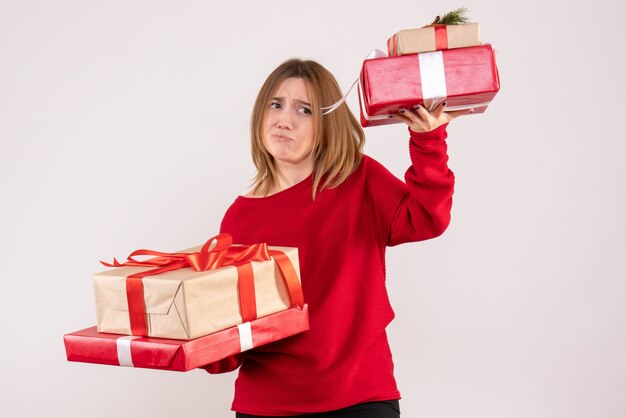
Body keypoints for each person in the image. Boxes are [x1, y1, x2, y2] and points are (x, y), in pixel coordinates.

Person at [208, 58, 468, 417]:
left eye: (305, 110)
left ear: (327, 122)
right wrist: (195, 336)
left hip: (359, 399)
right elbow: (233, 340)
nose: (284, 119)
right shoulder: (238, 219)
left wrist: (428, 141)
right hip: (266, 406)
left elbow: (426, 218)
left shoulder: (358, 180)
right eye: (276, 104)